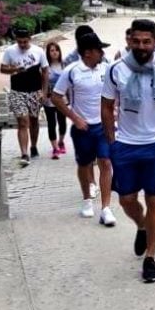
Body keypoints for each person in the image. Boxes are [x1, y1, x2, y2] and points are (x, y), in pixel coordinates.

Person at [102, 19, 155, 283]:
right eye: (136, 41)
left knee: (154, 200)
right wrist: (112, 142)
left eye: (146, 41)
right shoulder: (116, 70)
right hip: (126, 144)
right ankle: (141, 225)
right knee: (126, 200)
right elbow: (106, 107)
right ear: (129, 41)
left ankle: (150, 257)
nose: (141, 46)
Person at [52, 31, 116, 226]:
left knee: (105, 162)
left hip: (104, 126)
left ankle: (106, 207)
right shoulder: (72, 71)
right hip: (83, 127)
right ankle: (87, 199)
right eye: (99, 50)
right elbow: (56, 96)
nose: (102, 54)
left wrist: (116, 112)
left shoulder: (107, 69)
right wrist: (74, 117)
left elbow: (117, 92)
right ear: (88, 53)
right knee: (84, 164)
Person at [0, 27, 48, 166]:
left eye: (25, 42)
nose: (22, 45)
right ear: (16, 40)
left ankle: (33, 146)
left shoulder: (38, 51)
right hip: (17, 91)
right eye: (19, 42)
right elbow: (3, 69)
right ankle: (24, 153)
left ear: (29, 39)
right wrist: (15, 69)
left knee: (33, 120)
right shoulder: (10, 51)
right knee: (22, 121)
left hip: (34, 90)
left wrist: (44, 92)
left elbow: (45, 71)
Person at [42, 42, 67, 159]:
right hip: (49, 98)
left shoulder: (64, 65)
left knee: (62, 122)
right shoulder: (45, 67)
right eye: (52, 50)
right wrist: (43, 95)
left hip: (62, 99)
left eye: (56, 50)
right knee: (51, 123)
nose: (54, 52)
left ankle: (61, 141)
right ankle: (55, 148)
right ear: (48, 53)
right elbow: (43, 82)